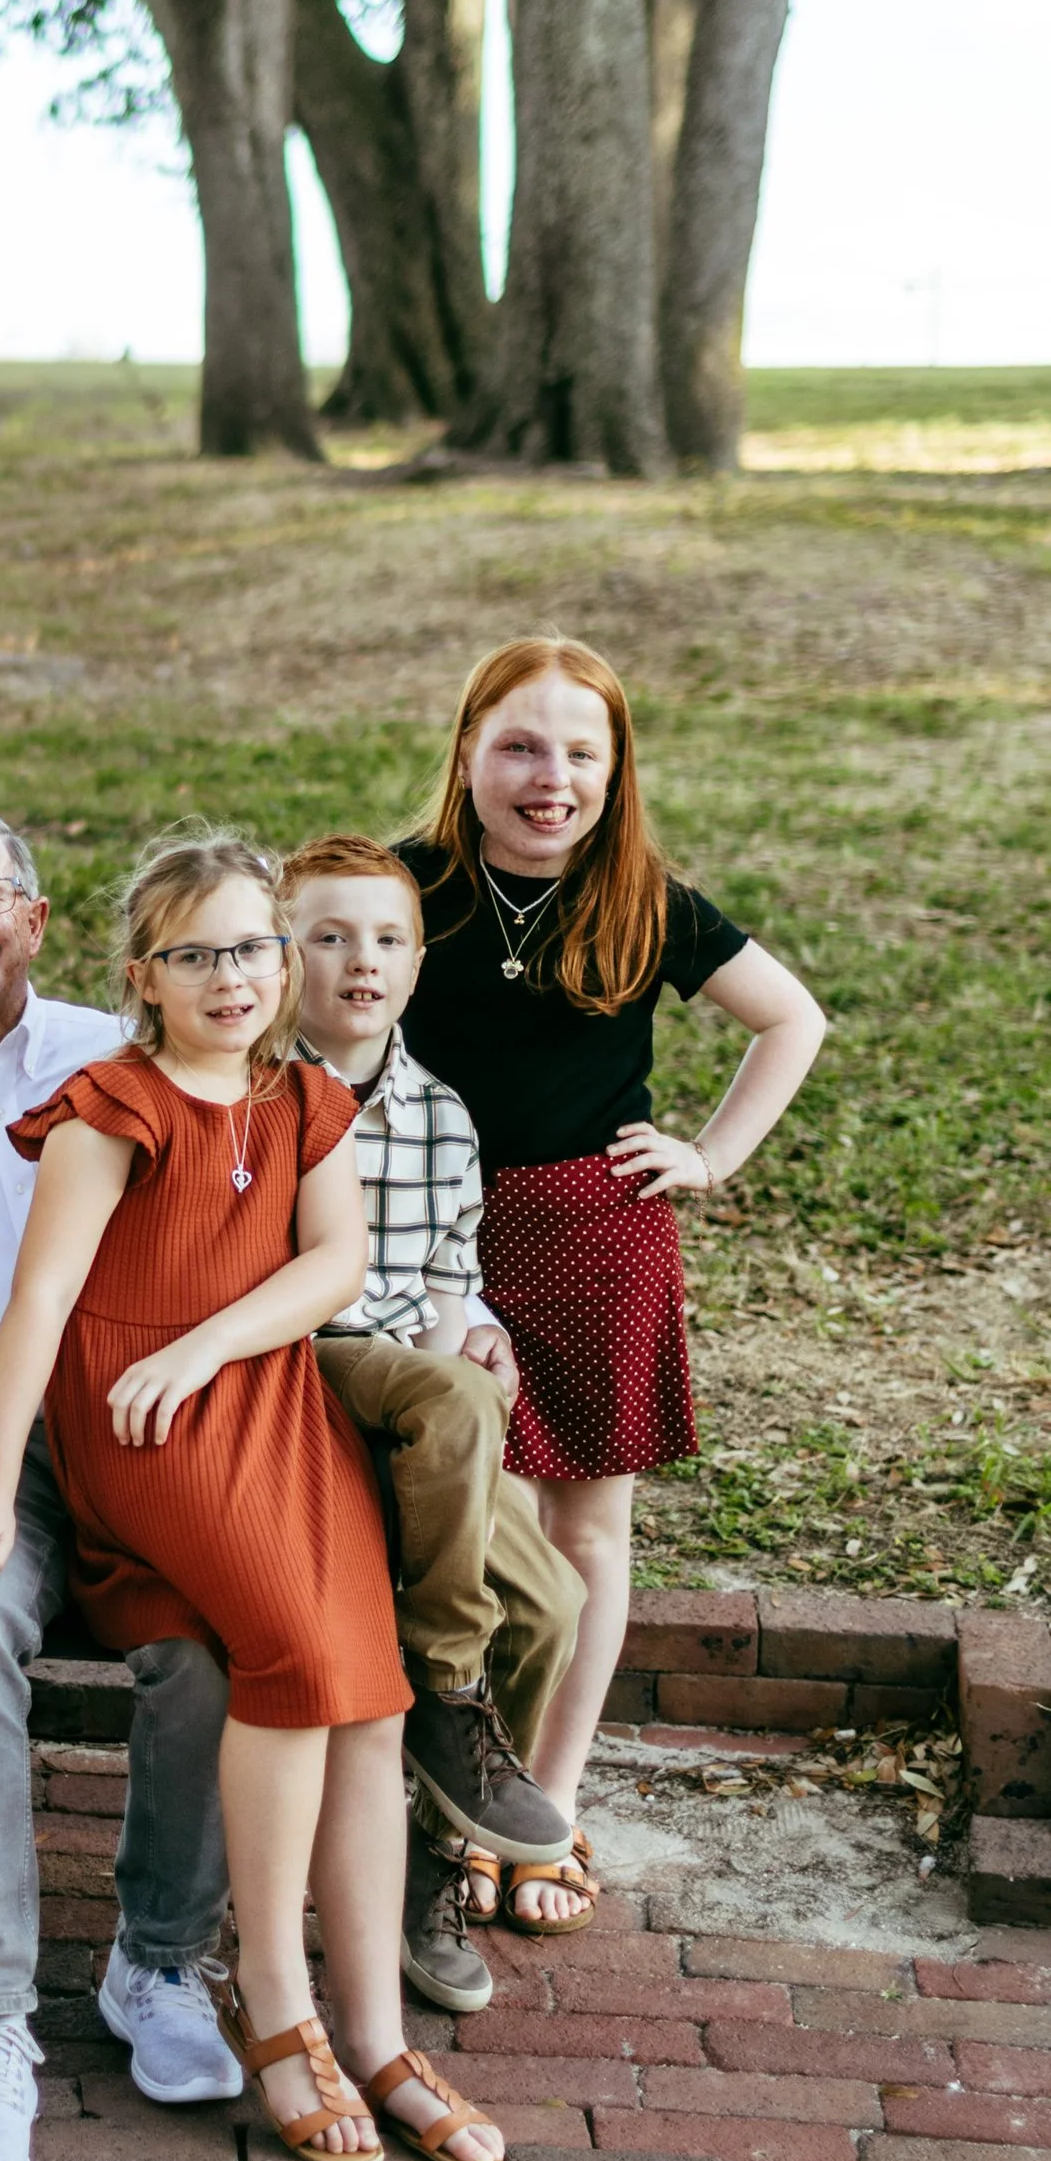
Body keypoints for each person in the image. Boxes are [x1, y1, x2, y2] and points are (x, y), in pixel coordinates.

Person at [0, 834, 504, 2161]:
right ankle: (276, 2002)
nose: (232, 976)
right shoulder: (110, 1104)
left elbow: (334, 1259)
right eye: (197, 954)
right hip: (138, 1414)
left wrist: (213, 1345)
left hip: (259, 1394)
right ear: (143, 977)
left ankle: (377, 2032)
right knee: (293, 1656)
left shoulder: (301, 1098)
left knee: (373, 1686)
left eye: (253, 946)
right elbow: (42, 1303)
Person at [397, 638, 825, 1934]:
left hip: (597, 1234)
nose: (552, 778)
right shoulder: (407, 887)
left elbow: (789, 1018)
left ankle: (551, 1801)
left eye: (583, 752)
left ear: (615, 767)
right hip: (438, 1237)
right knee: (481, 1535)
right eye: (521, 745)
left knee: (587, 1532)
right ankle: (466, 1799)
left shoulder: (647, 898)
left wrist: (707, 1151)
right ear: (467, 749)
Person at [0, 803, 240, 2161]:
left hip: (149, 1428)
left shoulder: (127, 1051)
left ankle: (156, 1957)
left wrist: (462, 1304)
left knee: (211, 1629)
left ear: (34, 918)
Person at [282, 832, 586, 2016]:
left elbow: (451, 1286)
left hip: (426, 1405)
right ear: (281, 951)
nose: (362, 960)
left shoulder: (440, 1117)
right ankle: (443, 1690)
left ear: (417, 965)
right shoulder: (252, 1096)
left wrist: (476, 1329)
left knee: (551, 1601)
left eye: (389, 939)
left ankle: (432, 1858)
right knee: (449, 1395)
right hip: (298, 1384)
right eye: (329, 935)